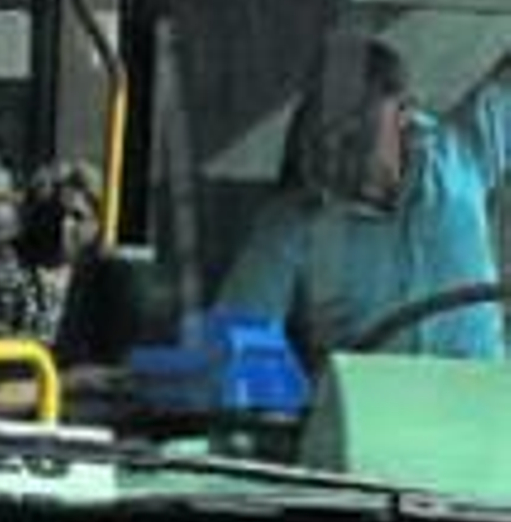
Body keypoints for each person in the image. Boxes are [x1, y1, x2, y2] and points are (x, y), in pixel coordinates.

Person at [219, 36, 511, 364]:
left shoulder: (465, 153)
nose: (336, 144)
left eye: (357, 124)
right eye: (326, 125)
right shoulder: (293, 224)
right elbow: (239, 340)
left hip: (488, 403)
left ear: (403, 112)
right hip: (370, 411)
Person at [0, 158, 103, 345]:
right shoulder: (2, 268)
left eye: (77, 217)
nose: (63, 227)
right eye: (54, 214)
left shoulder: (100, 275)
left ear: (95, 224)